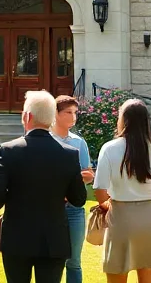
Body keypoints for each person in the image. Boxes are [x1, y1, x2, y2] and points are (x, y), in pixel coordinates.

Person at [0, 89, 88, 283]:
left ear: (27, 116)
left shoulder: (9, 150)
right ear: (52, 118)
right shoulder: (69, 154)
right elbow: (78, 198)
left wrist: (16, 195)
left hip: (17, 237)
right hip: (53, 238)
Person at [93, 99, 151, 283]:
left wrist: (107, 207)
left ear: (123, 120)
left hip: (120, 216)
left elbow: (99, 189)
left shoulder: (110, 148)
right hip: (150, 218)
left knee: (117, 275)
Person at [50, 95, 95, 283]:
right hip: (50, 209)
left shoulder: (78, 142)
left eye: (75, 112)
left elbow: (89, 174)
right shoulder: (46, 140)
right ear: (56, 114)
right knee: (51, 260)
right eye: (68, 112)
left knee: (74, 261)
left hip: (75, 209)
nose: (73, 117)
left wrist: (70, 186)